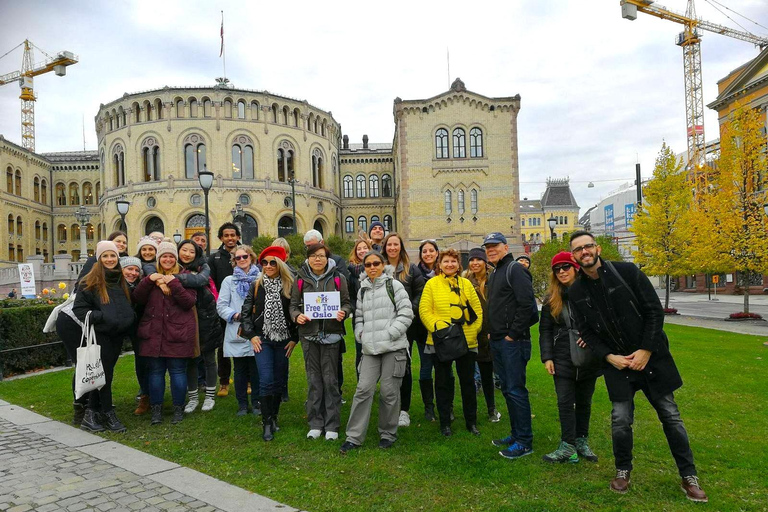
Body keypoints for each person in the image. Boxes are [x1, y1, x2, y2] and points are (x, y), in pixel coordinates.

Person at [567, 231, 707, 502]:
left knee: (670, 416)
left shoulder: (626, 272)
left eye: (587, 247)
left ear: (597, 248)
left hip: (651, 359)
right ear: (574, 256)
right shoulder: (576, 290)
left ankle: (689, 476)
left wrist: (646, 349)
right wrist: (609, 357)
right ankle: (622, 471)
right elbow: (585, 332)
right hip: (617, 365)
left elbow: (654, 311)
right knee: (620, 419)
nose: (584, 252)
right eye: (578, 250)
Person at [340, 250, 414, 453]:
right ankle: (354, 436)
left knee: (389, 393)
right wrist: (360, 333)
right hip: (370, 349)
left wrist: (391, 332)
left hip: (393, 347)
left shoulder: (394, 285)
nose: (372, 267)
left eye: (376, 263)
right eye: (368, 265)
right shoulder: (362, 289)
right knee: (363, 390)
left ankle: (388, 433)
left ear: (382, 265)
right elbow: (359, 316)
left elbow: (406, 313)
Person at [538, 251, 602, 464]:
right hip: (562, 355)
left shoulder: (591, 292)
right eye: (557, 269)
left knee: (584, 401)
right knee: (565, 402)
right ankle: (567, 445)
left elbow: (604, 323)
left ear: (576, 268)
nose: (562, 272)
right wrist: (547, 357)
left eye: (566, 267)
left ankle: (581, 440)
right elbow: (545, 330)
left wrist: (591, 337)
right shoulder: (551, 298)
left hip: (588, 357)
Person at [484, 232, 539, 460]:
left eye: (495, 246)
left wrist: (512, 335)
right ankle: (516, 434)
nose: (491, 250)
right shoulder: (496, 272)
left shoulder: (515, 270)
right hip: (498, 341)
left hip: (513, 343)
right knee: (507, 389)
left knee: (516, 390)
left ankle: (524, 442)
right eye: (488, 247)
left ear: (506, 248)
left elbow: (528, 307)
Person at [289, 242, 352, 440]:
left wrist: (344, 312)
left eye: (322, 255)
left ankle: (332, 424)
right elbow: (293, 306)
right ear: (308, 258)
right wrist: (297, 316)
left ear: (328, 258)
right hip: (308, 336)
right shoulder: (300, 279)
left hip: (331, 335)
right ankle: (315, 422)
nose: (318, 259)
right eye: (314, 255)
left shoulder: (338, 278)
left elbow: (347, 303)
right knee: (314, 380)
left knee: (331, 380)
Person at [73, 241, 136, 433]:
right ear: (99, 259)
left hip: (116, 335)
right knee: (104, 376)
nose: (109, 259)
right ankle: (107, 413)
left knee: (102, 375)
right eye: (105, 256)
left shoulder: (120, 280)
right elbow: (79, 309)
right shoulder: (90, 281)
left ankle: (92, 414)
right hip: (101, 335)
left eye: (113, 256)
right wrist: (102, 317)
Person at [132, 242, 198, 425]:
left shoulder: (184, 277)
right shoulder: (150, 277)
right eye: (164, 256)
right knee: (155, 373)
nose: (167, 259)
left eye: (171, 256)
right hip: (153, 333)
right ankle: (156, 409)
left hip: (177, 332)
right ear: (159, 258)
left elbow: (189, 302)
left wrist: (173, 283)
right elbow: (137, 298)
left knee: (177, 372)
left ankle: (178, 408)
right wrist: (150, 280)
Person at [419, 248, 483, 437]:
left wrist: (474, 330)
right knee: (443, 383)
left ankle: (471, 422)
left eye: (453, 261)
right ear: (439, 264)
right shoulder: (432, 284)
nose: (449, 265)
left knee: (468, 383)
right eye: (446, 261)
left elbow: (477, 311)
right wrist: (438, 328)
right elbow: (424, 310)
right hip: (442, 341)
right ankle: (445, 422)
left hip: (467, 340)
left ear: (458, 264)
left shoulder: (466, 284)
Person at [240, 246, 298, 441]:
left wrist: (294, 339)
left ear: (280, 264)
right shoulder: (257, 285)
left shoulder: (290, 285)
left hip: (283, 340)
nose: (268, 266)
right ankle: (266, 423)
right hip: (262, 339)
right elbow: (246, 313)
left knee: (279, 381)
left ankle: (274, 417)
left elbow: (297, 312)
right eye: (264, 262)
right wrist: (252, 335)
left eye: (272, 262)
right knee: (265, 380)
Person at [382, 232, 425, 428]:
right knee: (385, 368)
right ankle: (389, 407)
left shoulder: (411, 270)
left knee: (403, 368)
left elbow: (420, 293)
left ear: (401, 247)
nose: (392, 248)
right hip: (382, 325)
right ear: (385, 247)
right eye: (389, 244)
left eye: (395, 244)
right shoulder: (378, 267)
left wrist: (407, 312)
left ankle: (404, 411)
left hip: (405, 327)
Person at [175, 240, 222, 413]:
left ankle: (210, 396)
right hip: (184, 320)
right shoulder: (174, 265)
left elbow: (200, 280)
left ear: (197, 254)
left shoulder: (204, 266)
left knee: (209, 359)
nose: (187, 254)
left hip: (206, 319)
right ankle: (193, 398)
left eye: (191, 251)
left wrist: (175, 278)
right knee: (191, 361)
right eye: (183, 250)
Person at [303, 229, 350, 400]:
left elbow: (345, 292)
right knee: (314, 369)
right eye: (309, 248)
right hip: (311, 327)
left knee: (334, 363)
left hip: (332, 323)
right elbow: (296, 301)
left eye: (316, 246)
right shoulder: (304, 268)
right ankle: (317, 399)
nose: (314, 252)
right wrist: (298, 314)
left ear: (323, 243)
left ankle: (337, 394)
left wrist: (342, 311)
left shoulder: (337, 263)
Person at [218, 245, 261, 416]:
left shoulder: (261, 278)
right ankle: (242, 404)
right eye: (238, 258)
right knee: (240, 369)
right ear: (233, 260)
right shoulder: (229, 281)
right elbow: (221, 306)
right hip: (237, 329)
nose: (242, 260)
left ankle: (257, 403)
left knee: (256, 368)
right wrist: (235, 315)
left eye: (245, 256)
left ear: (251, 257)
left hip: (256, 329)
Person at [463, 247, 501, 423]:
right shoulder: (465, 281)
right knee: (469, 375)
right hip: (471, 332)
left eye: (478, 259)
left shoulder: (494, 279)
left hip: (489, 332)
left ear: (485, 262)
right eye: (472, 260)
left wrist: (494, 330)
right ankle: (471, 412)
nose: (475, 263)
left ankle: (491, 408)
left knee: (487, 374)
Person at [208, 222, 241, 397]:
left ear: (238, 237)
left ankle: (247, 379)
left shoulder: (245, 255)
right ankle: (224, 381)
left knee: (246, 342)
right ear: (221, 238)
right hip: (223, 309)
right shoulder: (214, 259)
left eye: (233, 235)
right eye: (226, 235)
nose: (230, 238)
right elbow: (211, 284)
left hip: (243, 308)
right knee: (223, 347)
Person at [120, 256, 150, 416]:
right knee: (141, 363)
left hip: (141, 329)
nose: (133, 273)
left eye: (136, 270)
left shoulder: (139, 286)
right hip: (125, 329)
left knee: (144, 362)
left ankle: (147, 396)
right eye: (129, 269)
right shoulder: (117, 286)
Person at [414, 239, 439, 421]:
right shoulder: (416, 273)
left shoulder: (445, 271)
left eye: (431, 251)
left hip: (443, 329)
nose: (428, 254)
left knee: (444, 369)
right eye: (425, 251)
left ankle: (446, 405)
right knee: (426, 367)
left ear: (437, 253)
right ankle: (428, 406)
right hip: (422, 329)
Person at [271, 237, 296, 402]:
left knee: (282, 358)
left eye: (283, 252)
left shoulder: (293, 274)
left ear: (287, 255)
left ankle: (283, 389)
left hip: (286, 322)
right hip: (270, 322)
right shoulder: (265, 272)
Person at [347, 239, 372, 378]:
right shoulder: (351, 274)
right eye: (359, 249)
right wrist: (355, 309)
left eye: (365, 248)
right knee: (360, 350)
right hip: (359, 317)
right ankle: (361, 382)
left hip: (376, 315)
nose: (362, 251)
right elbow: (350, 297)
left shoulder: (375, 269)